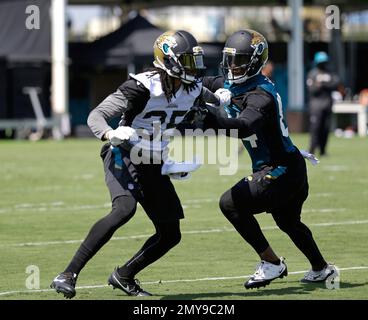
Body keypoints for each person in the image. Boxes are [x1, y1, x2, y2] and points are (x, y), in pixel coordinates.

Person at [50, 30, 207, 298]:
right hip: (124, 152)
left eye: (194, 61)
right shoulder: (143, 86)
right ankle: (67, 274)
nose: (194, 67)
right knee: (124, 209)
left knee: (171, 233)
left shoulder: (193, 89)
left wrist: (227, 101)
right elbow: (96, 115)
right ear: (169, 61)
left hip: (154, 160)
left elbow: (215, 102)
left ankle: (123, 276)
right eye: (187, 61)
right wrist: (111, 133)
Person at [202, 30, 337, 289]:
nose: (232, 66)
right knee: (289, 222)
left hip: (282, 169)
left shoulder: (260, 94)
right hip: (289, 164)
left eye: (239, 60)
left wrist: (209, 117)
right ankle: (321, 268)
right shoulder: (233, 83)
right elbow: (203, 83)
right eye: (229, 59)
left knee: (230, 203)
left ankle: (272, 262)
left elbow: (244, 126)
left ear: (254, 62)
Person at [307, 51, 340, 156]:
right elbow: (312, 89)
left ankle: (323, 150)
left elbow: (335, 83)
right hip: (316, 106)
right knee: (315, 128)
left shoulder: (330, 73)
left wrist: (322, 84)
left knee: (325, 129)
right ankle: (312, 150)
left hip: (327, 104)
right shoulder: (312, 74)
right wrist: (324, 85)